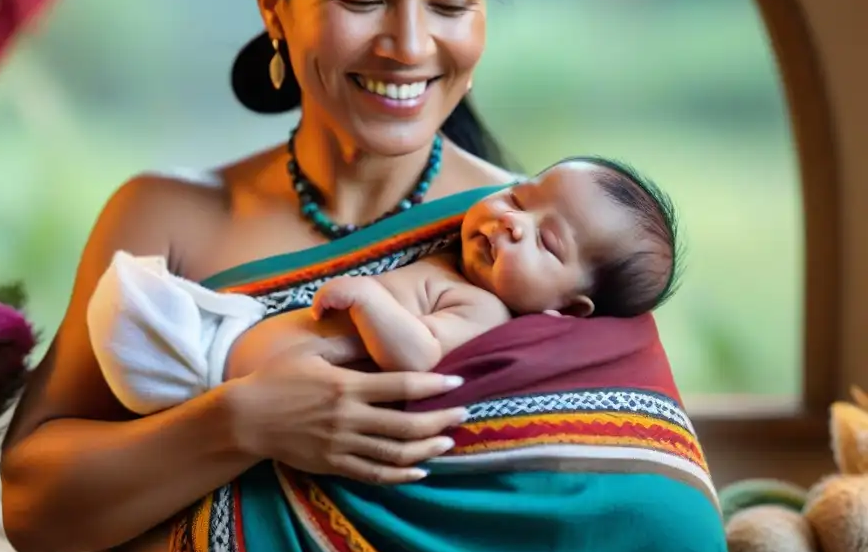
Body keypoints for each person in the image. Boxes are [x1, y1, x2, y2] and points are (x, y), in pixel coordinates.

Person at [0, 0, 727, 552]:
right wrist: (242, 422)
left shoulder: (542, 249)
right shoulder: (165, 215)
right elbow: (32, 512)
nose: (410, 46)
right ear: (272, 1)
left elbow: (656, 516)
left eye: (449, 4)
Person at [87, 156, 683, 418]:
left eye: (546, 242)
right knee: (127, 298)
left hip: (210, 370)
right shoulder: (448, 246)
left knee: (129, 306)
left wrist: (371, 301)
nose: (511, 220)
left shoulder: (480, 309)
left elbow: (421, 355)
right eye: (520, 196)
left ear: (569, 309)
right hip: (233, 339)